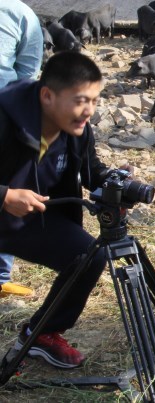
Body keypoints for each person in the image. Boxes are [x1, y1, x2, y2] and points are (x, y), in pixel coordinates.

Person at [0, 51, 110, 369]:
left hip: (28, 220)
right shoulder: (5, 117)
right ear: (47, 95)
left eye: (94, 100)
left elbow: (92, 173)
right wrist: (5, 196)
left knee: (89, 255)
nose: (88, 111)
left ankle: (42, 335)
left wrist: (114, 184)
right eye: (80, 100)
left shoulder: (76, 127)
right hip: (7, 207)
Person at [0, 0, 44, 297]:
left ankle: (1, 277)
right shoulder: (19, 12)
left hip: (4, 116)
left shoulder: (19, 13)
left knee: (8, 189)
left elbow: (28, 70)